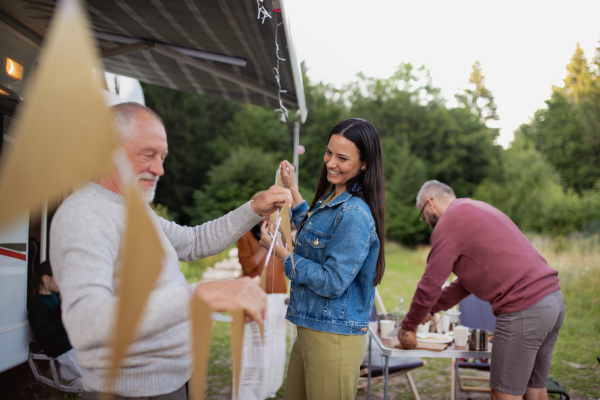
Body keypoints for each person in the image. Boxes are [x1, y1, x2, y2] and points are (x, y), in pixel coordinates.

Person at [49, 102, 291, 399]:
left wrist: (255, 208)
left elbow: (193, 242)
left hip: (170, 383)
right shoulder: (84, 215)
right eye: (148, 154)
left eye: (162, 157)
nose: (159, 169)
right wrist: (199, 295)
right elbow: (87, 323)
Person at [399, 180, 565, 400]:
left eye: (423, 215)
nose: (427, 222)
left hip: (524, 309)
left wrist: (409, 324)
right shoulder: (475, 208)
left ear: (430, 203)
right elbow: (464, 283)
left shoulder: (449, 222)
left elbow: (430, 283)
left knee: (504, 394)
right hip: (552, 301)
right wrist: (433, 308)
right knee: (533, 390)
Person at [260, 118, 386, 400]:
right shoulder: (333, 198)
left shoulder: (354, 213)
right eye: (329, 153)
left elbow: (333, 281)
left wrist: (282, 253)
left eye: (342, 158)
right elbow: (316, 233)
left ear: (364, 163)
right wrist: (292, 188)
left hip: (334, 337)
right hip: (310, 327)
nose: (331, 163)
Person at [236, 191, 288, 399]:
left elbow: (287, 264)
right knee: (254, 345)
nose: (269, 217)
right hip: (256, 296)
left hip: (278, 297)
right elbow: (249, 268)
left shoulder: (280, 235)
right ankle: (250, 387)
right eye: (267, 212)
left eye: (273, 212)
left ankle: (269, 386)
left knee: (273, 346)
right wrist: (265, 244)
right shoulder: (244, 235)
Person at [28, 260, 84, 386]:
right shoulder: (39, 304)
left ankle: (67, 374)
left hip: (68, 341)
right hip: (60, 347)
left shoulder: (53, 296)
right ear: (46, 279)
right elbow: (42, 334)